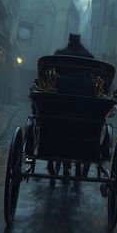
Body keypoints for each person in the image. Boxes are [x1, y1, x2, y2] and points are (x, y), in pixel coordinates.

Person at [48, 33, 94, 184]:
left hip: (60, 102)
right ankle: (77, 164)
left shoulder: (60, 54)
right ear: (79, 41)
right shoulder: (87, 56)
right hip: (84, 105)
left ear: (69, 41)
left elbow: (52, 70)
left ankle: (55, 159)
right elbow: (93, 74)